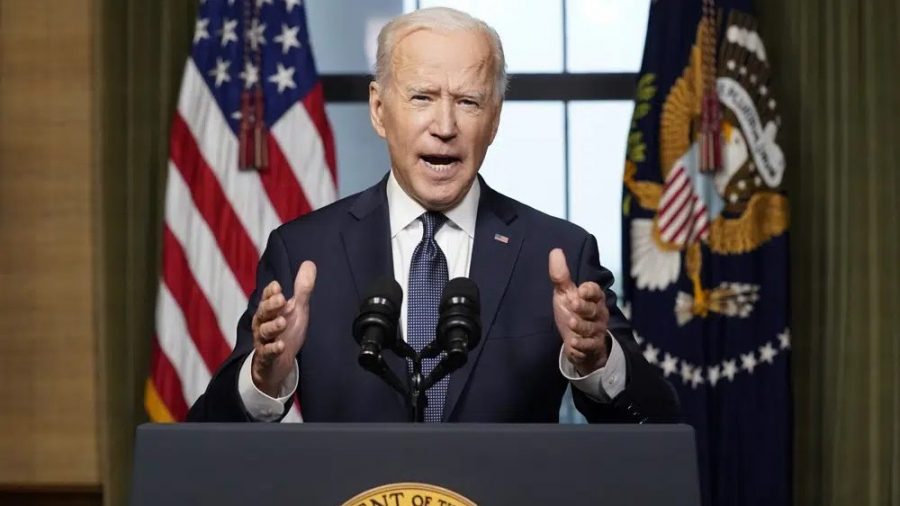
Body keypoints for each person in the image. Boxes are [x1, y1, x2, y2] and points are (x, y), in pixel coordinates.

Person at [187, 7, 679, 423]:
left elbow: (658, 421)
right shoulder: (306, 252)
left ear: (495, 119)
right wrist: (264, 375)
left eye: (468, 102)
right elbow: (209, 433)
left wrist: (597, 360)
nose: (444, 126)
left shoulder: (557, 256)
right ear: (379, 110)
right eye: (422, 97)